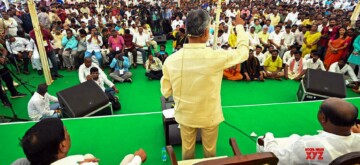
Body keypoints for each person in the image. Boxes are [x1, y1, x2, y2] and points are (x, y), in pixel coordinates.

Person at [160, 10, 249, 160]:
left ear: (187, 31)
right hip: (210, 115)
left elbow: (166, 92)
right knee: (210, 153)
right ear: (206, 32)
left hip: (185, 115)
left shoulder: (171, 60)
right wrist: (239, 27)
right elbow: (243, 52)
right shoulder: (217, 56)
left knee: (187, 152)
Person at [257, 98, 360, 165]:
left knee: (262, 141)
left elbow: (278, 157)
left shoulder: (307, 145)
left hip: (301, 152)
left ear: (322, 118)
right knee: (294, 137)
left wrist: (268, 139)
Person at [20, 118, 147, 165]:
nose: (68, 134)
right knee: (130, 157)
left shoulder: (20, 162)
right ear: (62, 146)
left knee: (88, 156)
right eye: (66, 131)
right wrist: (138, 159)